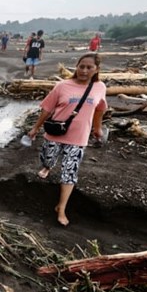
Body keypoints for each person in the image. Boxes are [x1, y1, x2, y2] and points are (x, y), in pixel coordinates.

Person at [26, 52, 108, 227]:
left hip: (79, 137)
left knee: (70, 173)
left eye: (89, 67)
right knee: (48, 158)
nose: (84, 70)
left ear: (96, 69)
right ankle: (47, 166)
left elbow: (100, 109)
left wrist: (97, 129)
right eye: (81, 66)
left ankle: (61, 208)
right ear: (76, 67)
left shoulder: (99, 87)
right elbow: (47, 109)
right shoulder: (62, 86)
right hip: (55, 133)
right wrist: (35, 128)